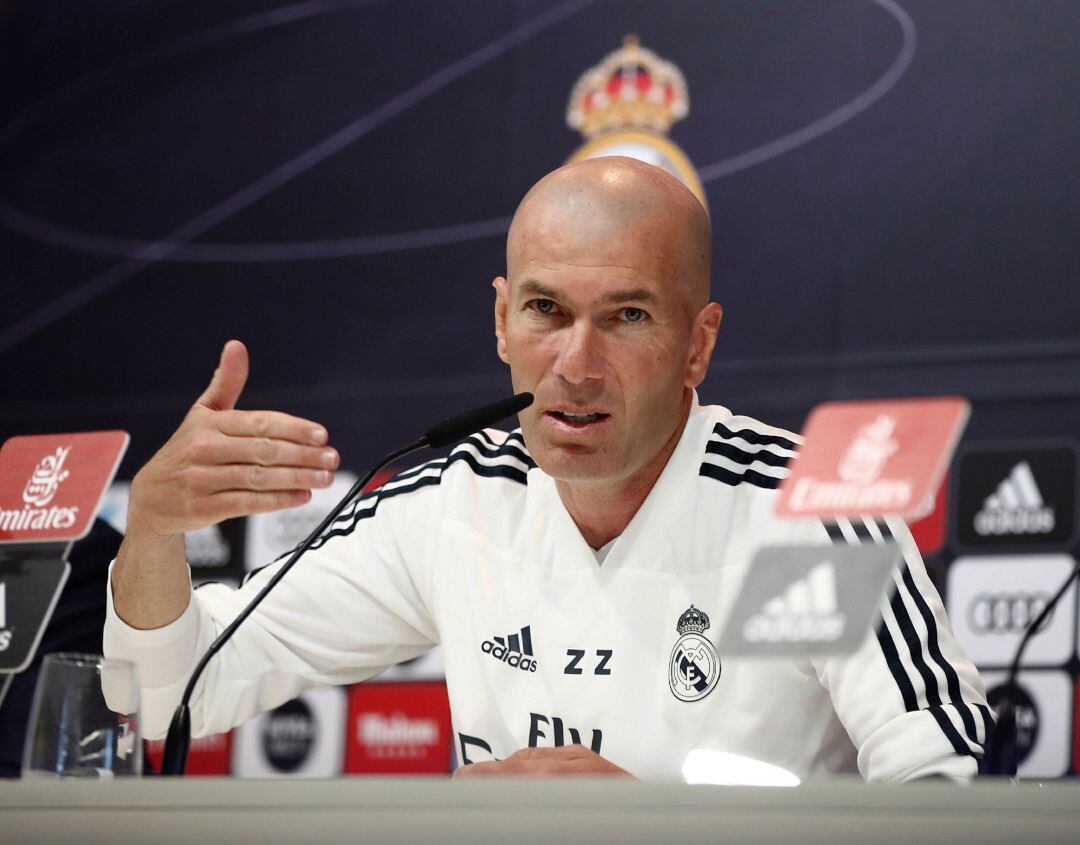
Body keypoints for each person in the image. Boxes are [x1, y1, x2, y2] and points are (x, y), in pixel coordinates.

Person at [105, 157, 990, 781]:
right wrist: (152, 528)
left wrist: (650, 832)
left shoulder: (806, 517)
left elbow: (948, 795)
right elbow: (173, 692)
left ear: (698, 344)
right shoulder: (456, 498)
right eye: (545, 309)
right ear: (501, 321)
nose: (576, 364)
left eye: (628, 316)